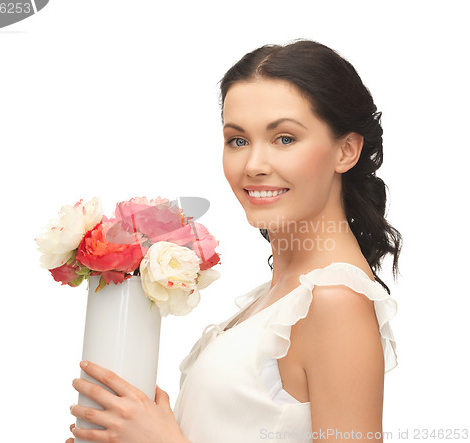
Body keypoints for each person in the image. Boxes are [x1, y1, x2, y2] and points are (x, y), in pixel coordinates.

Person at [66, 39, 402, 443]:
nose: (254, 166)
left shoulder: (334, 301)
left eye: (284, 139)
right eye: (238, 140)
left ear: (345, 150)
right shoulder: (279, 294)